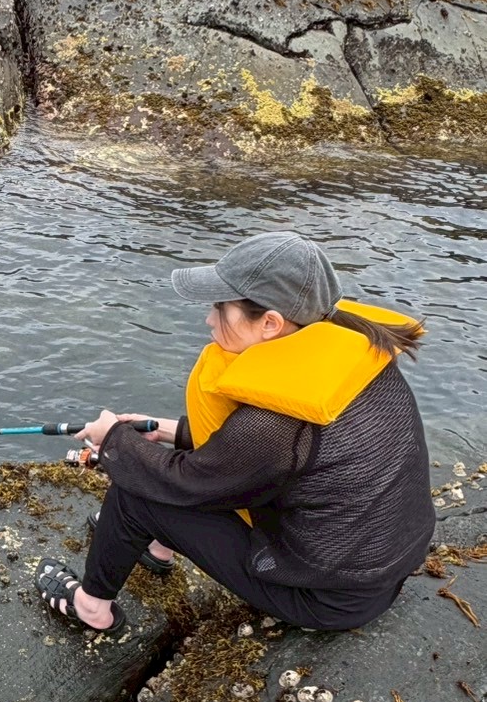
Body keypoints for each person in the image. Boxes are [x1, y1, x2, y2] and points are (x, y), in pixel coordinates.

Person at [35, 231, 436, 634]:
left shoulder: (272, 424)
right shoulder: (354, 358)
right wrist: (168, 431)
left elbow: (192, 480)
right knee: (159, 470)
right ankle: (157, 547)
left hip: (324, 599)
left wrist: (113, 438)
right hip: (374, 574)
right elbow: (275, 457)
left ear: (270, 323)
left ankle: (91, 608)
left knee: (135, 492)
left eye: (220, 307)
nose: (209, 319)